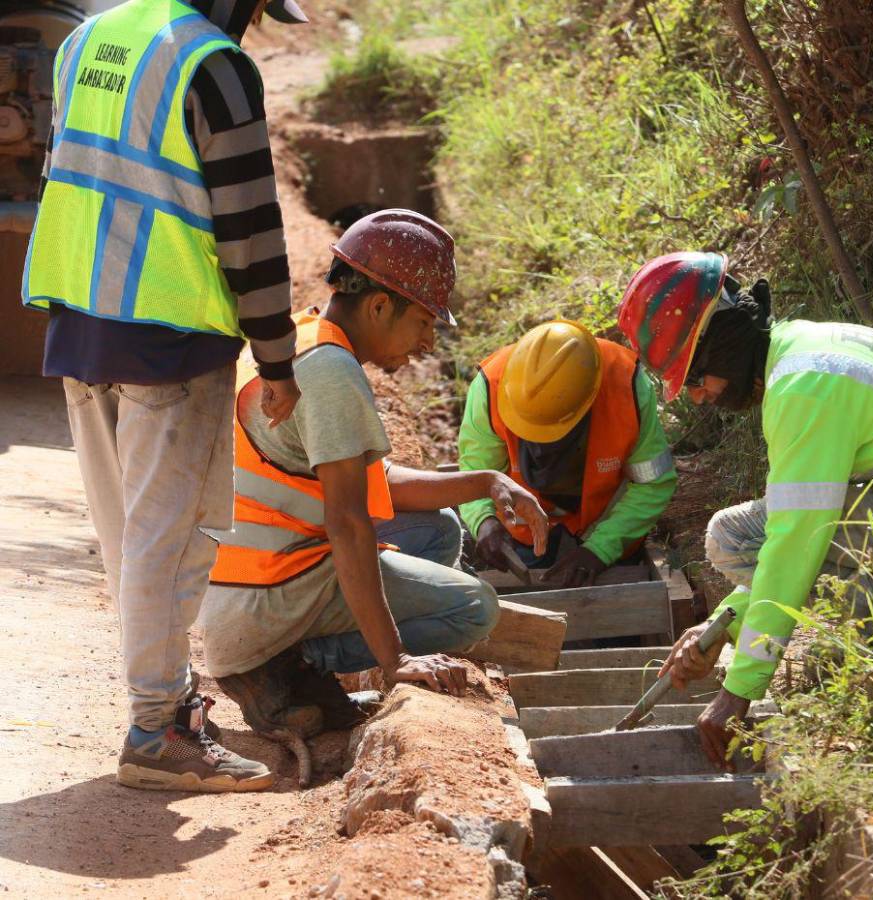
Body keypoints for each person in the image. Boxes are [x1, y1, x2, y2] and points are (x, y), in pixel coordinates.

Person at [21, 0, 310, 791]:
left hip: (82, 322)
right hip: (170, 337)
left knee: (130, 538)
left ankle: (167, 709)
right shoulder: (214, 66)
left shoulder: (86, 39)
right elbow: (251, 230)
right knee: (169, 543)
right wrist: (277, 358)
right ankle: (156, 731)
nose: (252, 23)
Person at [617, 251, 873, 766]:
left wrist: (739, 690)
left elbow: (796, 544)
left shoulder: (804, 389)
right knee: (761, 538)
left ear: (719, 345)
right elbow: (805, 536)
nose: (698, 397)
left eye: (695, 378)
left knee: (734, 538)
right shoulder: (806, 351)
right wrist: (723, 624)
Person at [198, 209, 549, 779]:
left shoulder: (304, 337)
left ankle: (298, 658)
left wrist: (487, 481)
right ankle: (290, 667)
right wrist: (396, 660)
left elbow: (373, 486)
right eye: (424, 322)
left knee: (438, 529)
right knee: (474, 608)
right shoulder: (332, 374)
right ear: (380, 306)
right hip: (264, 600)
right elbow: (348, 523)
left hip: (244, 580)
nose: (428, 342)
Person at [457, 319, 677, 587]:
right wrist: (484, 520)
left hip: (608, 523)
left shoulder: (626, 383)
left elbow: (652, 483)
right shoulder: (489, 386)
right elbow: (475, 473)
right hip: (523, 534)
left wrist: (600, 549)